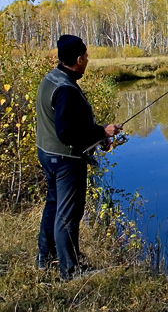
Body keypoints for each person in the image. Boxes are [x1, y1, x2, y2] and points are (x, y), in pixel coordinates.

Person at [35, 34, 122, 280]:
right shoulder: (65, 89)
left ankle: (46, 258)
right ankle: (70, 271)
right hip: (65, 160)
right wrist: (100, 132)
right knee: (68, 215)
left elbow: (60, 124)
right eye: (85, 56)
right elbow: (66, 132)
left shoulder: (51, 78)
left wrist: (98, 135)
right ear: (77, 59)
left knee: (53, 207)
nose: (87, 60)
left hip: (48, 155)